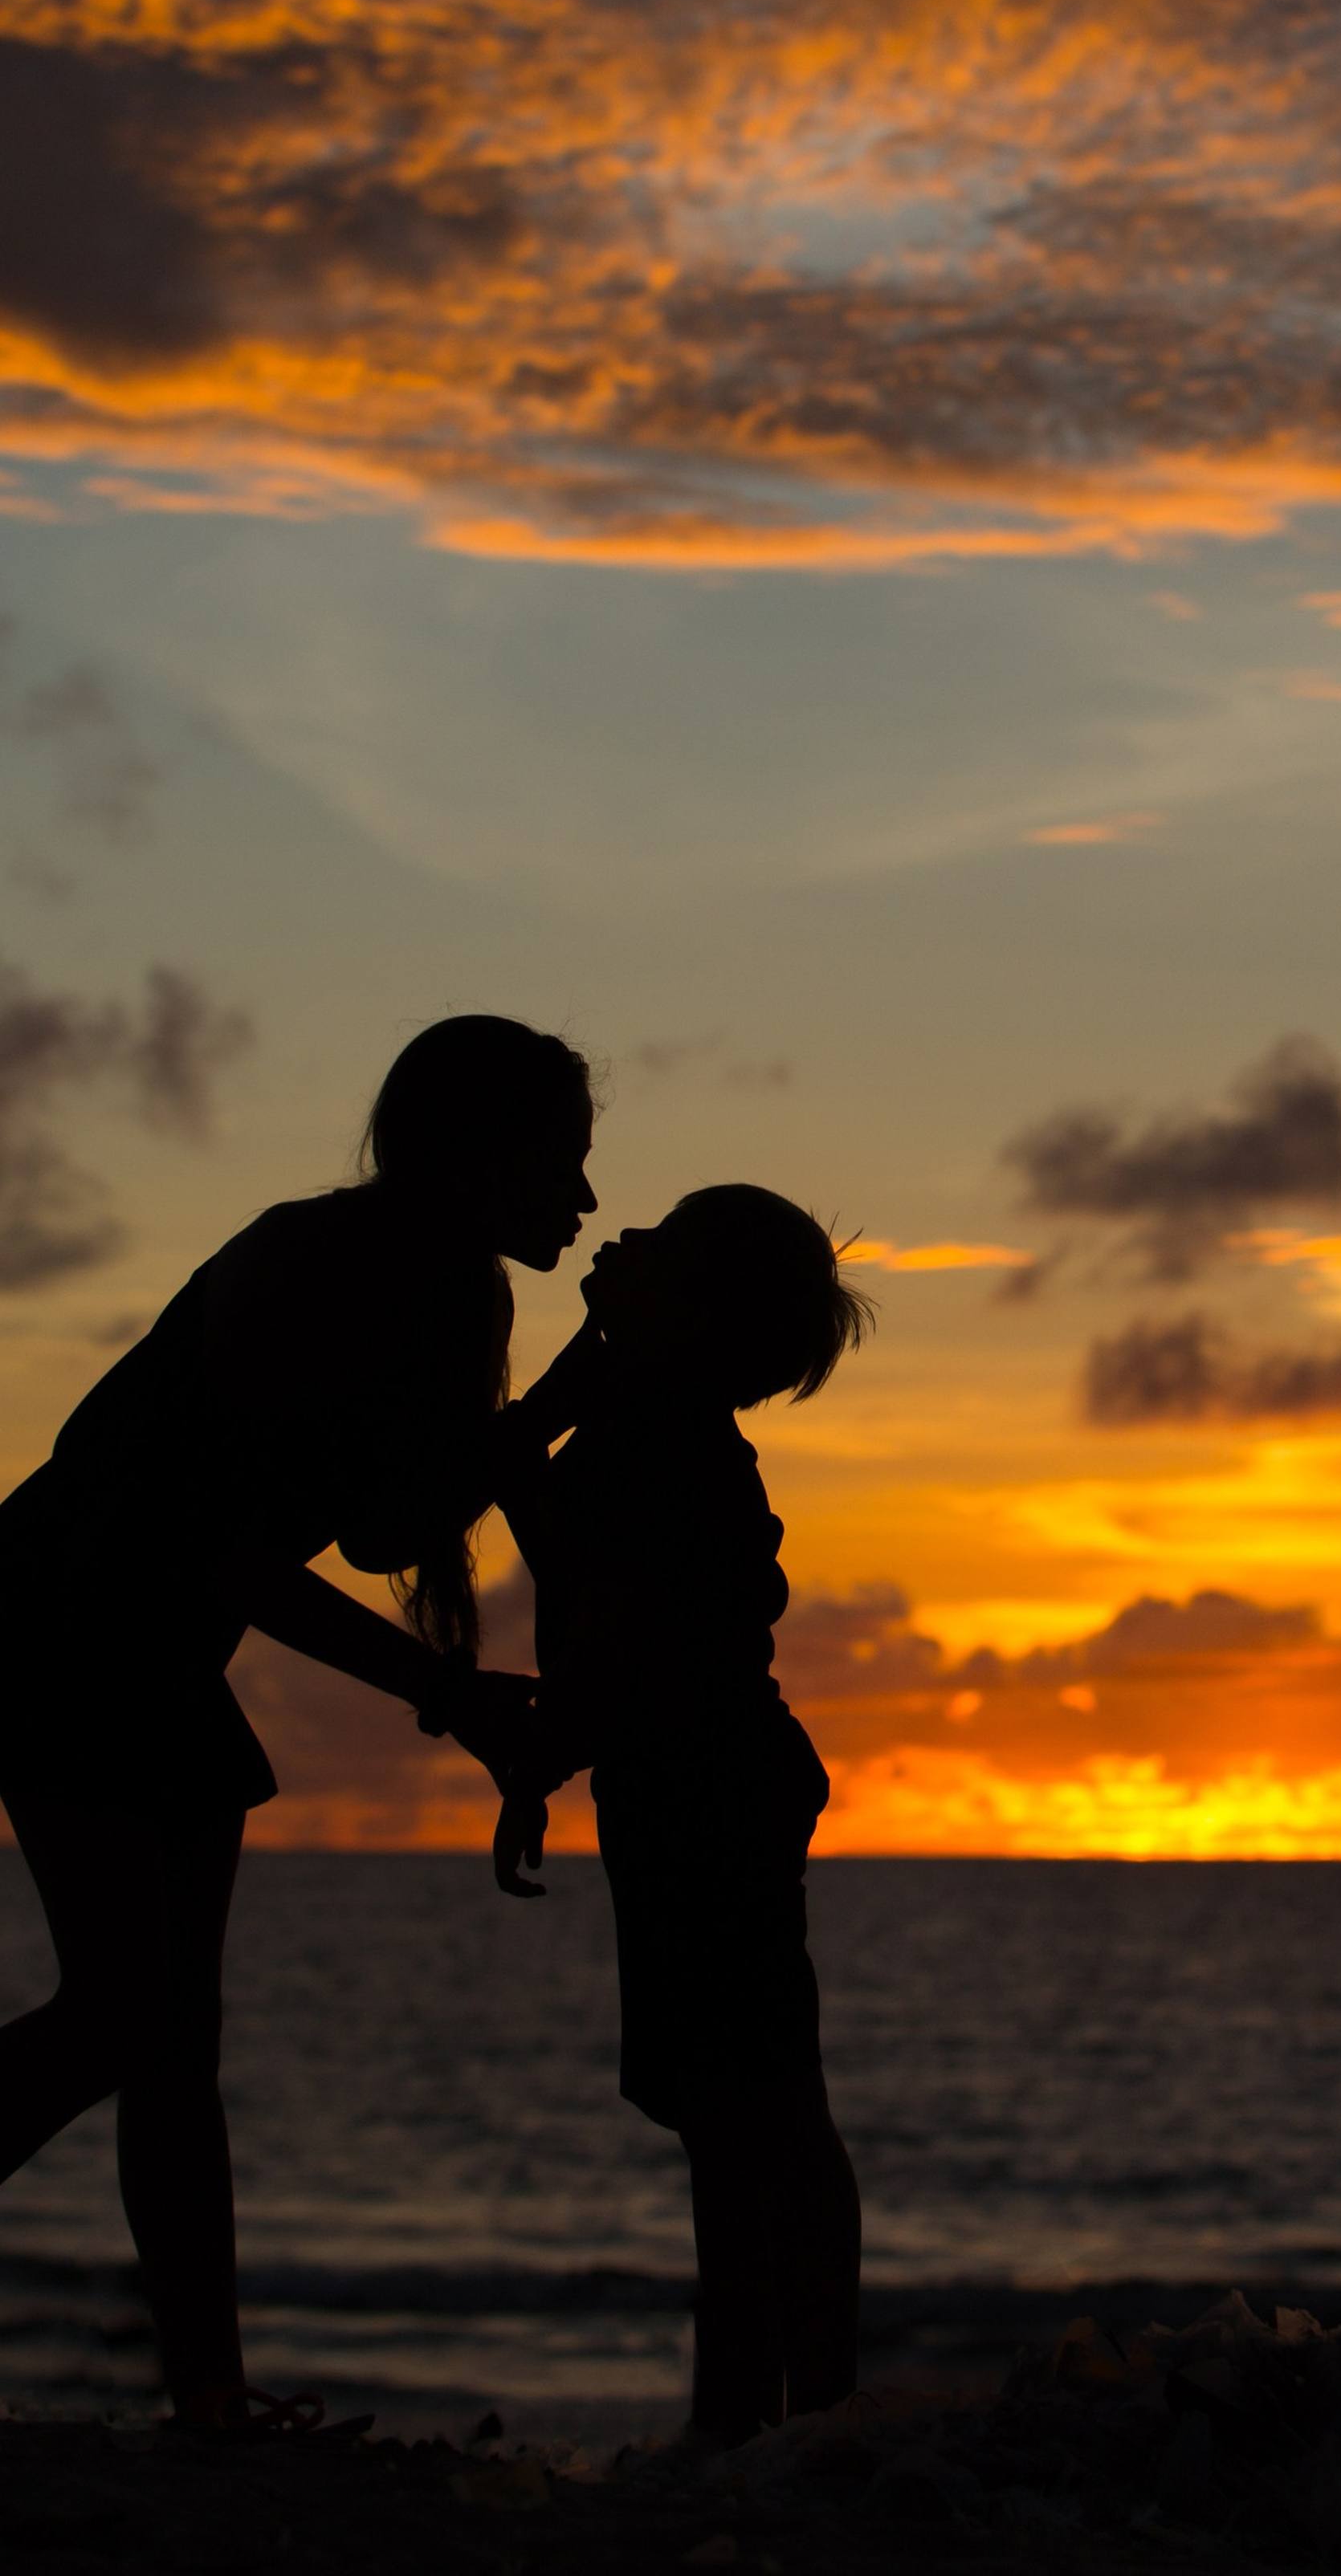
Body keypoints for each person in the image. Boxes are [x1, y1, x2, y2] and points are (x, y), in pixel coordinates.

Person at [0, 1013, 603, 2432]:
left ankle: (208, 2399)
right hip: (53, 1628)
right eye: (561, 1166)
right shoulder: (304, 1265)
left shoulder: (461, 1295)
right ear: (472, 1156)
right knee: (127, 2017)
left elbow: (396, 1524)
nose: (582, 1201)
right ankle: (207, 2395)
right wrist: (450, 1700)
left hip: (153, 1653)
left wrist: (566, 1397)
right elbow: (228, 1556)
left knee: (169, 2041)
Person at [492, 1185, 869, 2448]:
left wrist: (541, 1754)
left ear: (694, 1310)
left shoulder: (663, 1438)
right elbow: (578, 1580)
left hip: (703, 1787)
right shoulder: (643, 1420)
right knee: (748, 2112)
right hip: (686, 1786)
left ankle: (770, 2420)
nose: (617, 1238)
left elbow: (620, 1629)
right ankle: (779, 2415)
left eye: (656, 1243)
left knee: (750, 2120)